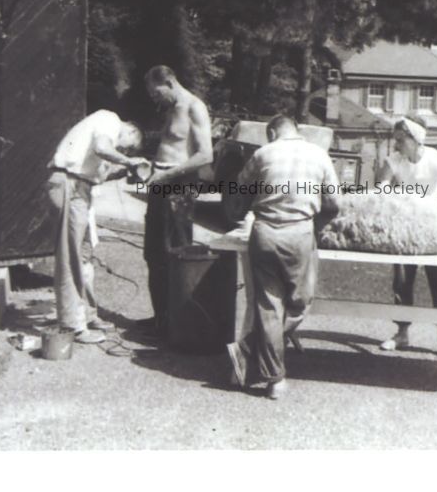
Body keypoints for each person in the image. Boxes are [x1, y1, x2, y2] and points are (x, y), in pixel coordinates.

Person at [226, 116, 340, 400]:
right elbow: (334, 203)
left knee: (269, 306)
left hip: (265, 232)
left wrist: (244, 211)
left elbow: (239, 192)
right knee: (301, 302)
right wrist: (316, 225)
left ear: (272, 133)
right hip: (300, 232)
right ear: (297, 131)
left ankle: (266, 368)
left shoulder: (262, 154)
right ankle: (264, 366)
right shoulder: (319, 155)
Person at [47, 109, 145, 343]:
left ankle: (88, 315)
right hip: (69, 183)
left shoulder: (102, 135)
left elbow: (98, 173)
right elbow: (102, 147)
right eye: (129, 147)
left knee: (84, 256)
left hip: (80, 187)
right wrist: (129, 161)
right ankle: (72, 325)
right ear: (131, 131)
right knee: (70, 256)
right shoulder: (109, 119)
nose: (124, 151)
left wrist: (124, 170)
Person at [376, 118, 437, 362]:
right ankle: (402, 334)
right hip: (406, 227)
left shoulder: (436, 159)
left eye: (401, 140)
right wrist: (393, 194)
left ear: (415, 140)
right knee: (402, 282)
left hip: (434, 228)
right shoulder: (395, 159)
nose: (396, 144)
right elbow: (380, 188)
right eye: (395, 139)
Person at [140, 65, 213, 339]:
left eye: (156, 92)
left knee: (177, 251)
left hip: (179, 186)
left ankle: (178, 322)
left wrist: (167, 175)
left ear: (169, 82)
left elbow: (205, 155)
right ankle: (161, 317)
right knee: (153, 252)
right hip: (161, 182)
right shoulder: (170, 108)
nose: (154, 98)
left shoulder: (195, 107)